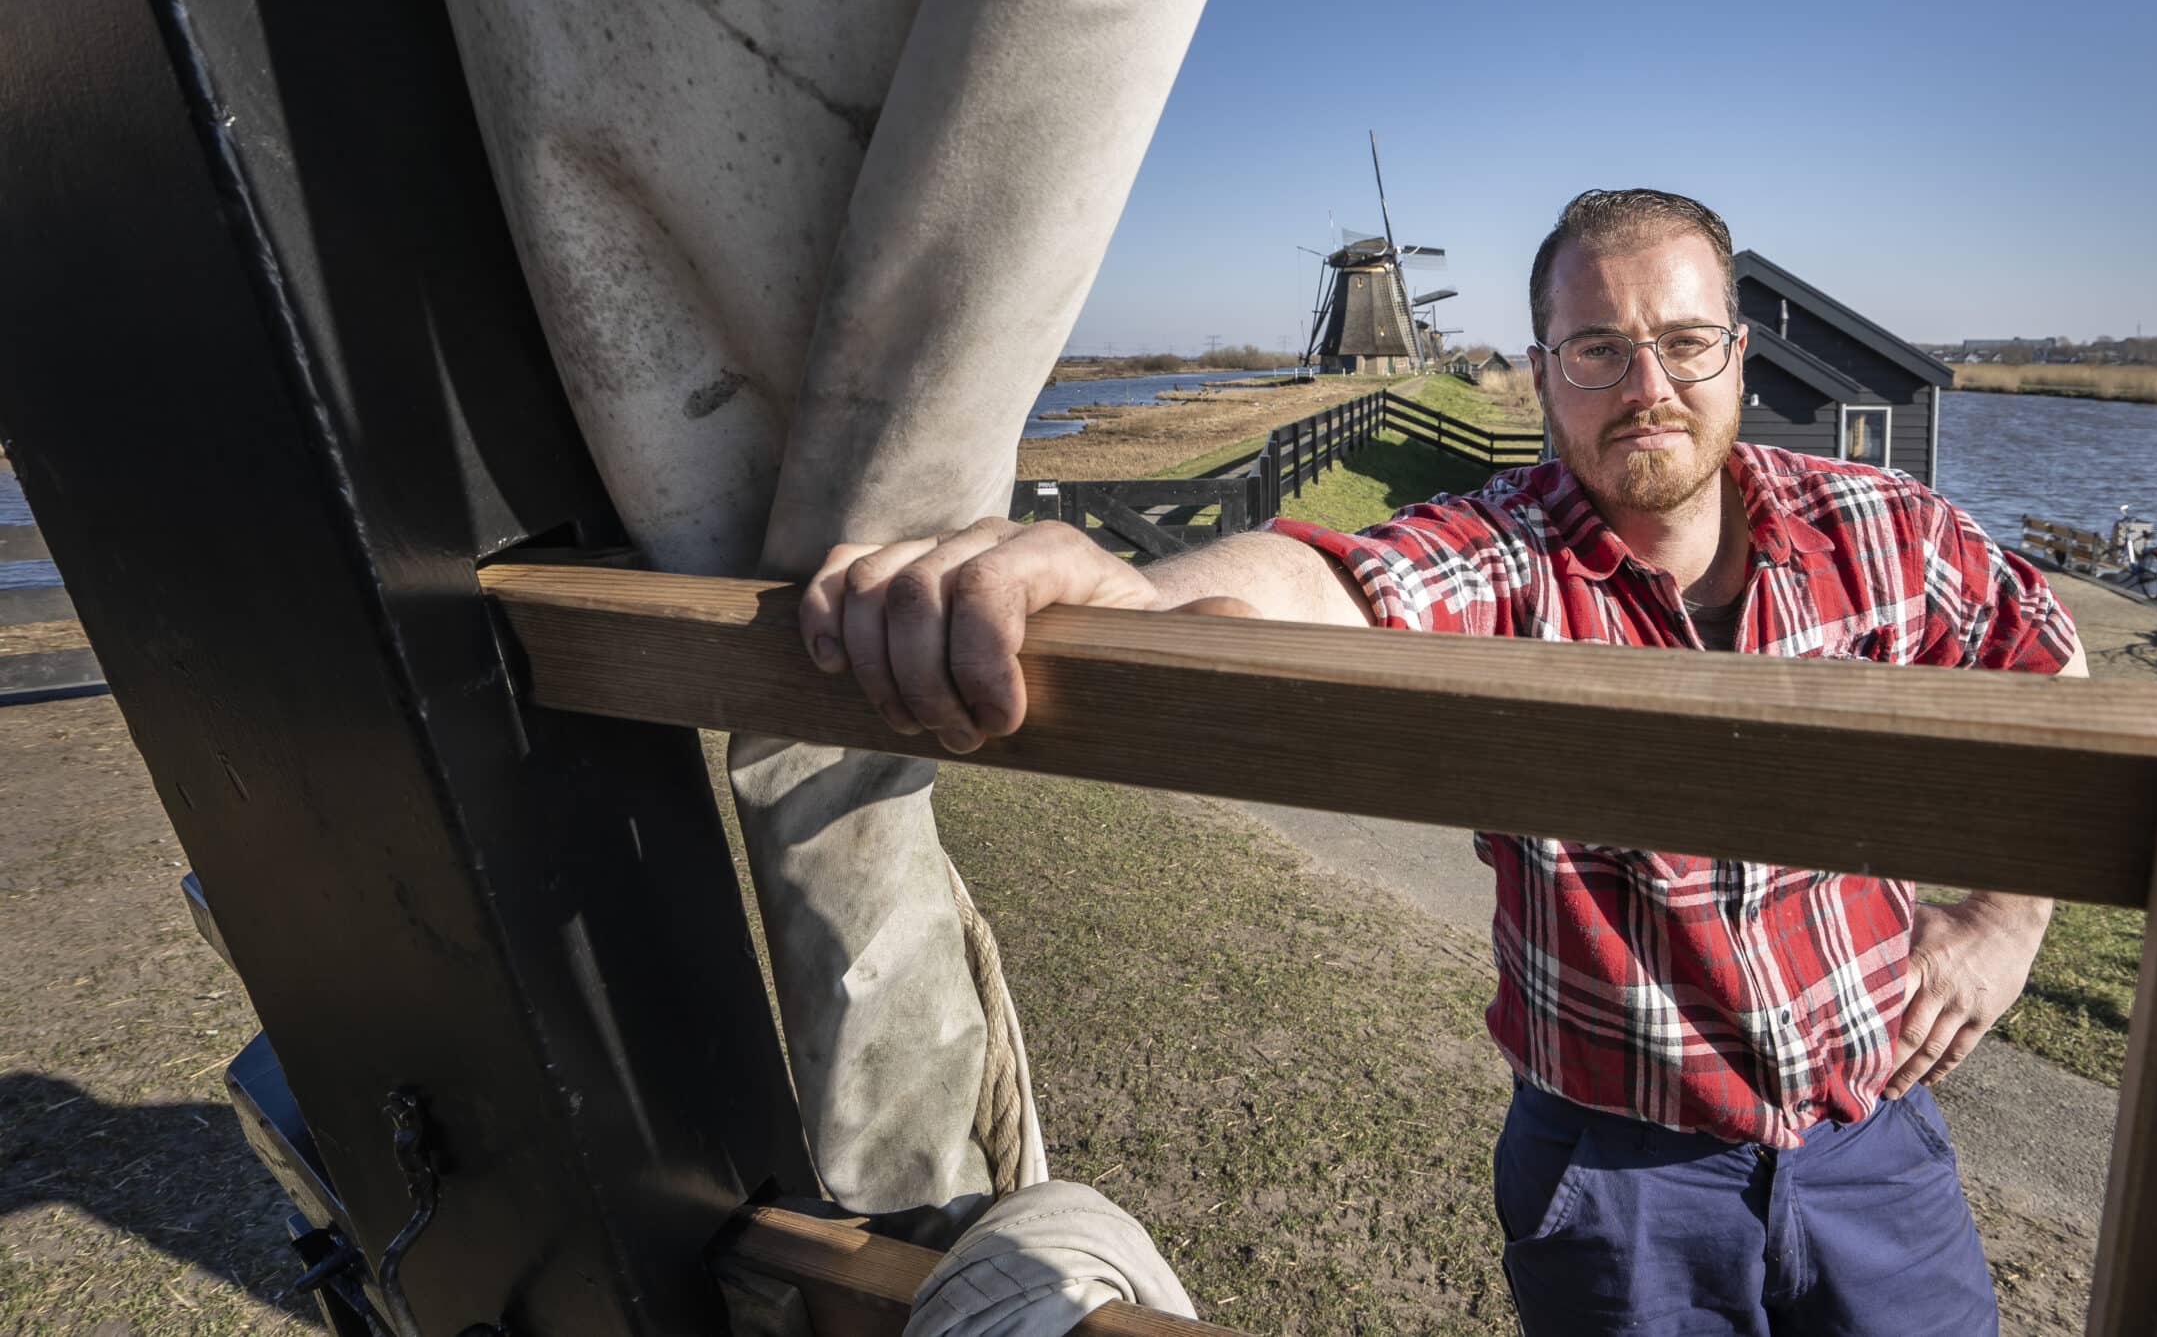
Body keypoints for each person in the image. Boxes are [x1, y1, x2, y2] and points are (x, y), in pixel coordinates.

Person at [799, 188, 2086, 1334]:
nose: (1647, 383)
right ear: (1541, 374)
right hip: (1621, 1174)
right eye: (1597, 348)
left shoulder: (1886, 531)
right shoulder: (1506, 553)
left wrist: (2004, 922)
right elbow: (1341, 579)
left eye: (1686, 342)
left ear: (1738, 355)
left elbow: (2050, 663)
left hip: (1872, 1143)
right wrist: (1134, 599)